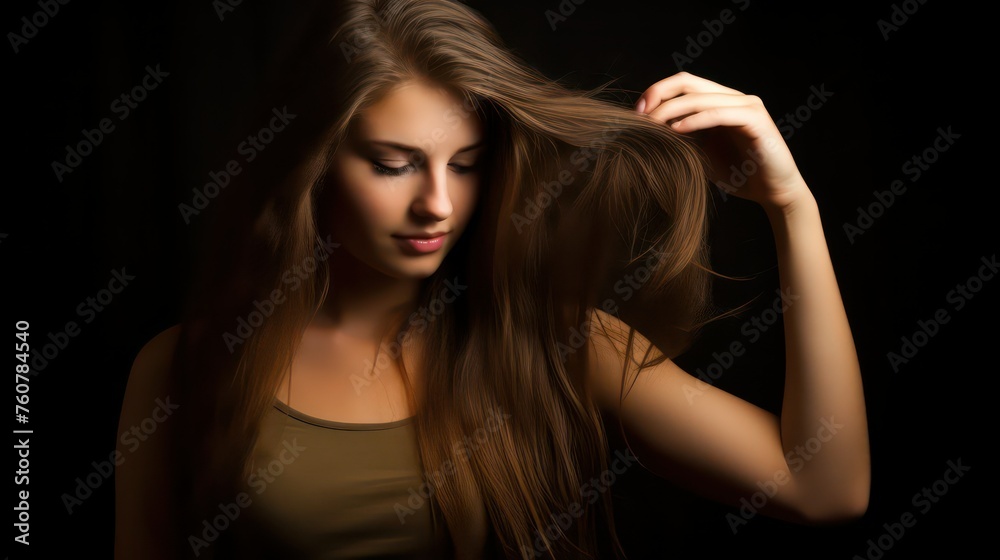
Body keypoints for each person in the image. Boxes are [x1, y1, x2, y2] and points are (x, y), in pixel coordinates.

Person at [114, 1, 870, 558]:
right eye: (393, 163)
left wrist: (790, 206)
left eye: (466, 165)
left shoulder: (554, 342)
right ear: (314, 163)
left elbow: (825, 489)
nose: (437, 203)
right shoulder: (182, 368)